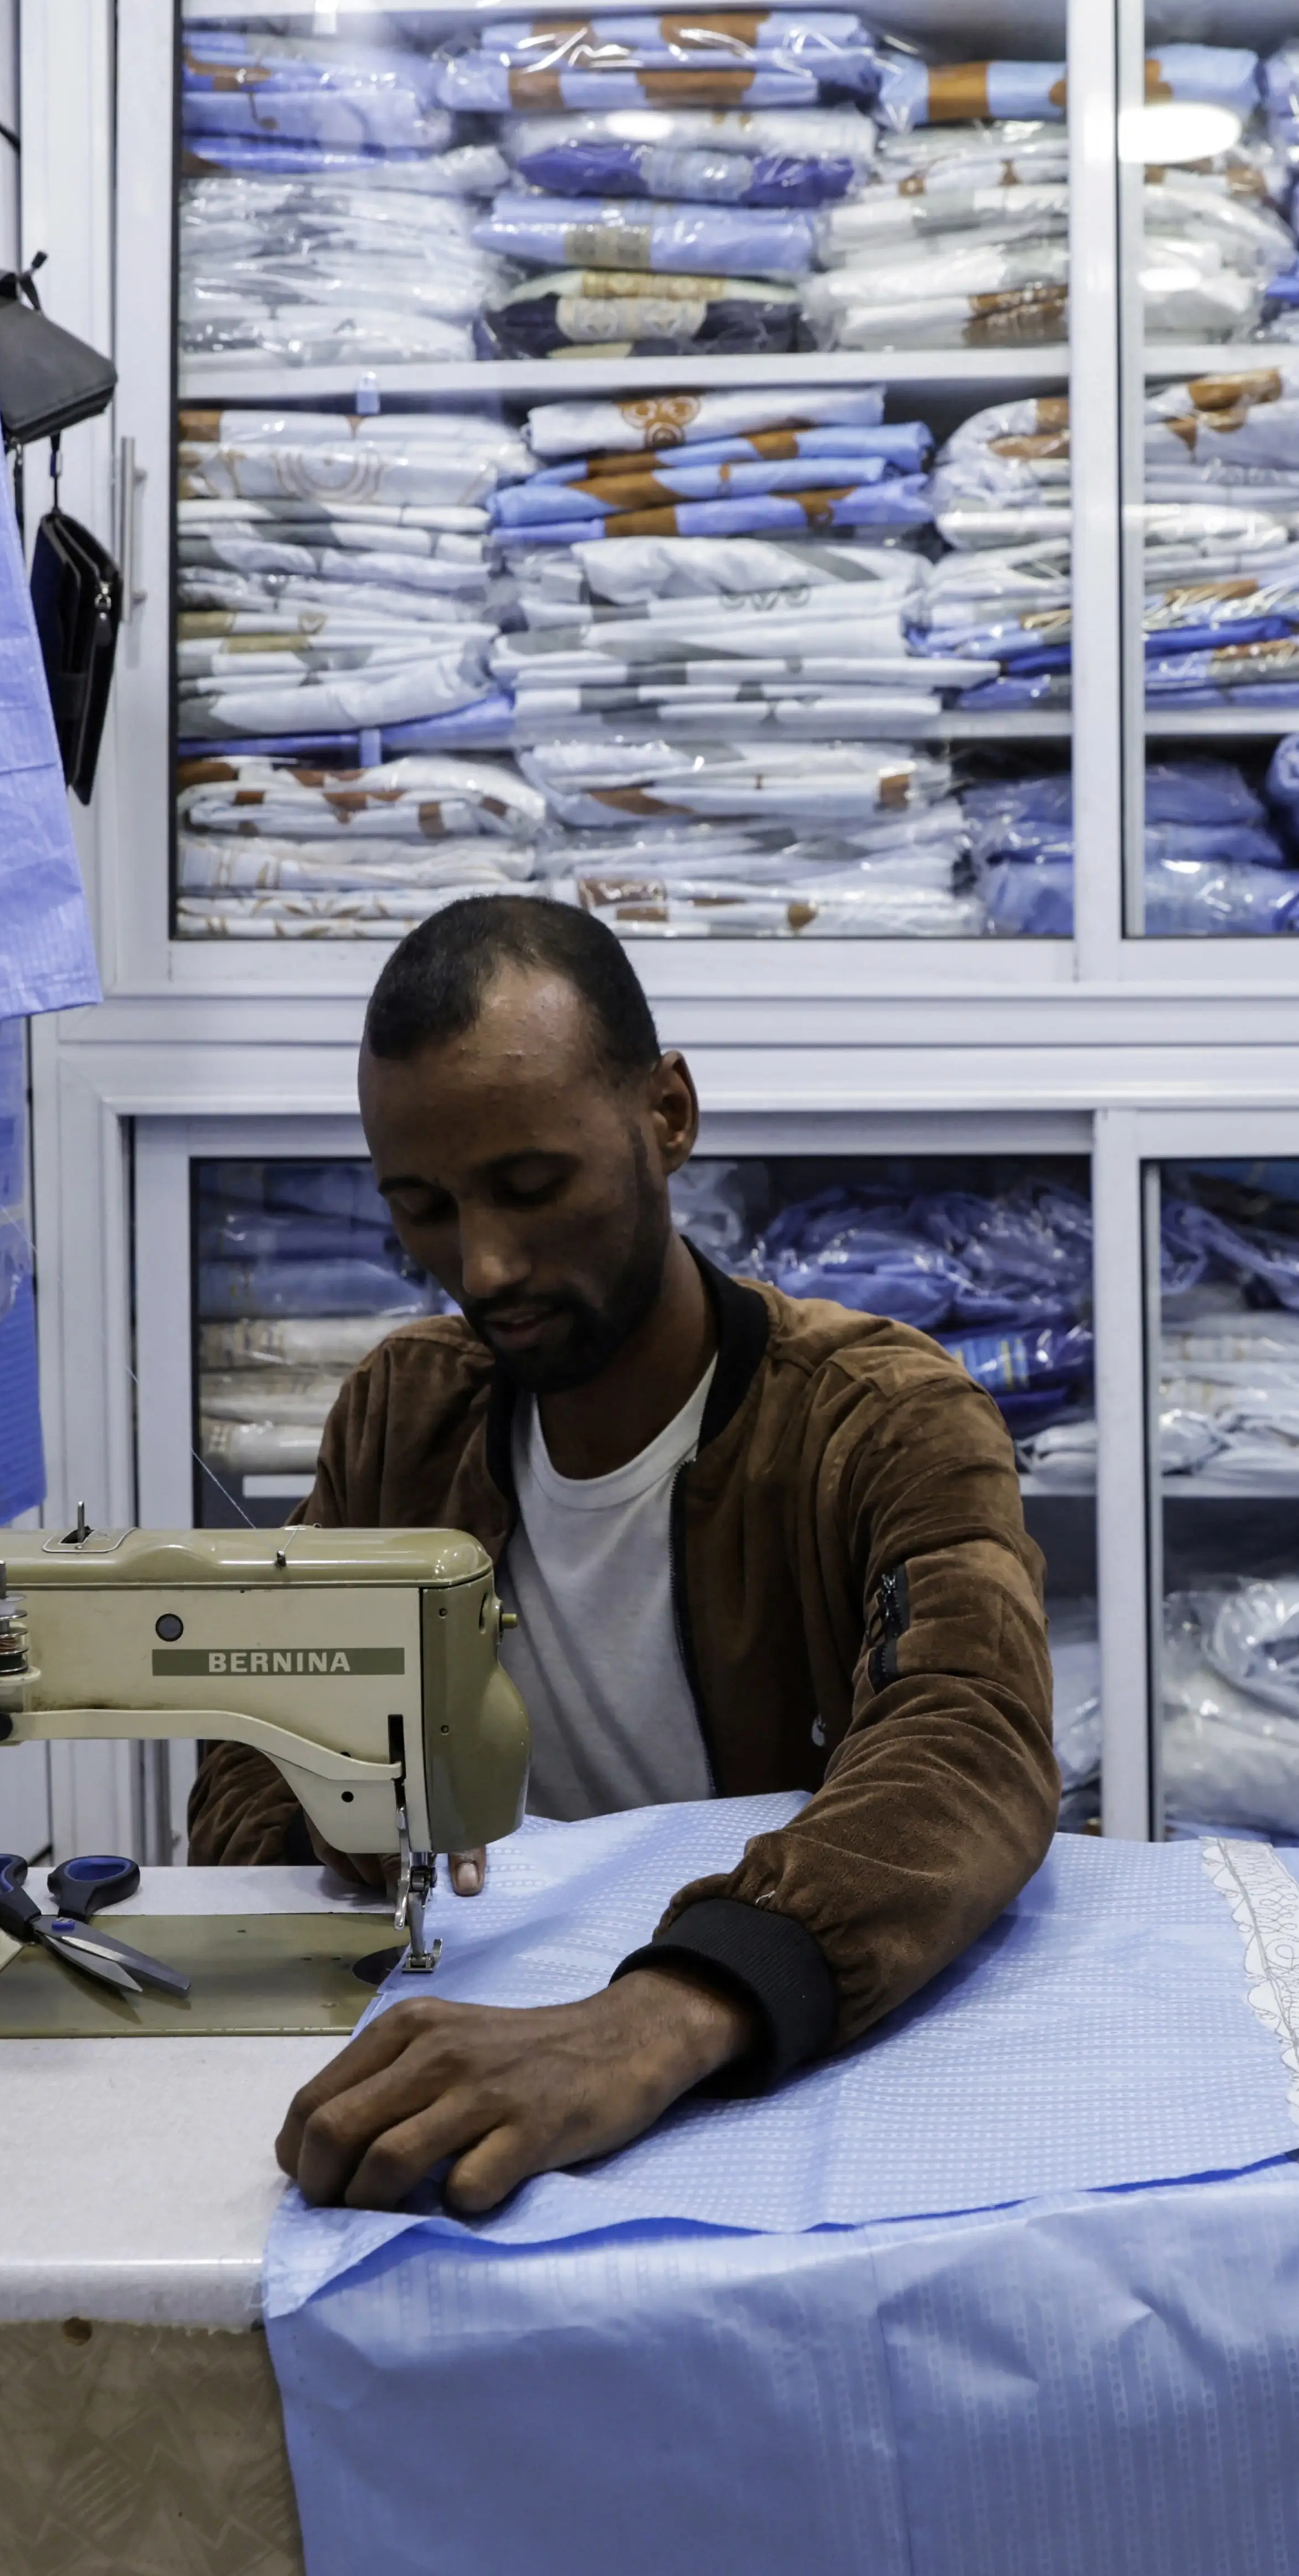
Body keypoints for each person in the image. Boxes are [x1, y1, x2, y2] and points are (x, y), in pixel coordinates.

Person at [194, 897, 1058, 2217]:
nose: (484, 1265)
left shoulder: (882, 1420)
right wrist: (330, 1816)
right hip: (483, 2049)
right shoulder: (399, 1417)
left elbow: (969, 1743)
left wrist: (656, 2020)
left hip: (754, 2068)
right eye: (422, 1207)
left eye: (533, 1187)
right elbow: (247, 1733)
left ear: (668, 1114)